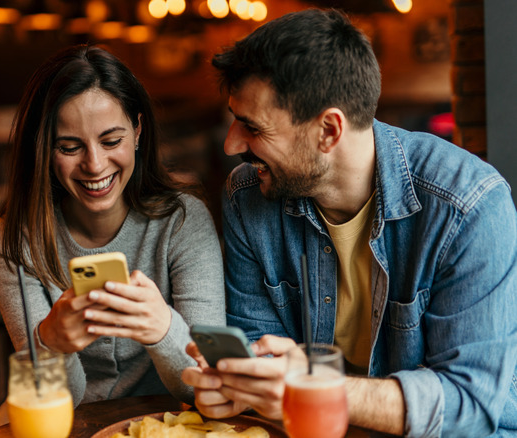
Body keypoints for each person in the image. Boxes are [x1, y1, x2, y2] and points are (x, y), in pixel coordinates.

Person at [181, 8, 517, 437]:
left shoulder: (468, 206)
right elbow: (257, 345)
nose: (231, 144)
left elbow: (469, 405)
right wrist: (239, 385)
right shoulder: (247, 195)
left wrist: (313, 389)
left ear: (328, 130)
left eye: (252, 127)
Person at [0, 44, 225, 408]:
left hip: (163, 419)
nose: (95, 165)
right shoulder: (12, 241)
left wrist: (163, 329)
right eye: (69, 147)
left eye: (112, 141)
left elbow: (205, 388)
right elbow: (55, 400)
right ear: (42, 149)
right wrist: (52, 342)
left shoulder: (182, 222)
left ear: (138, 131)